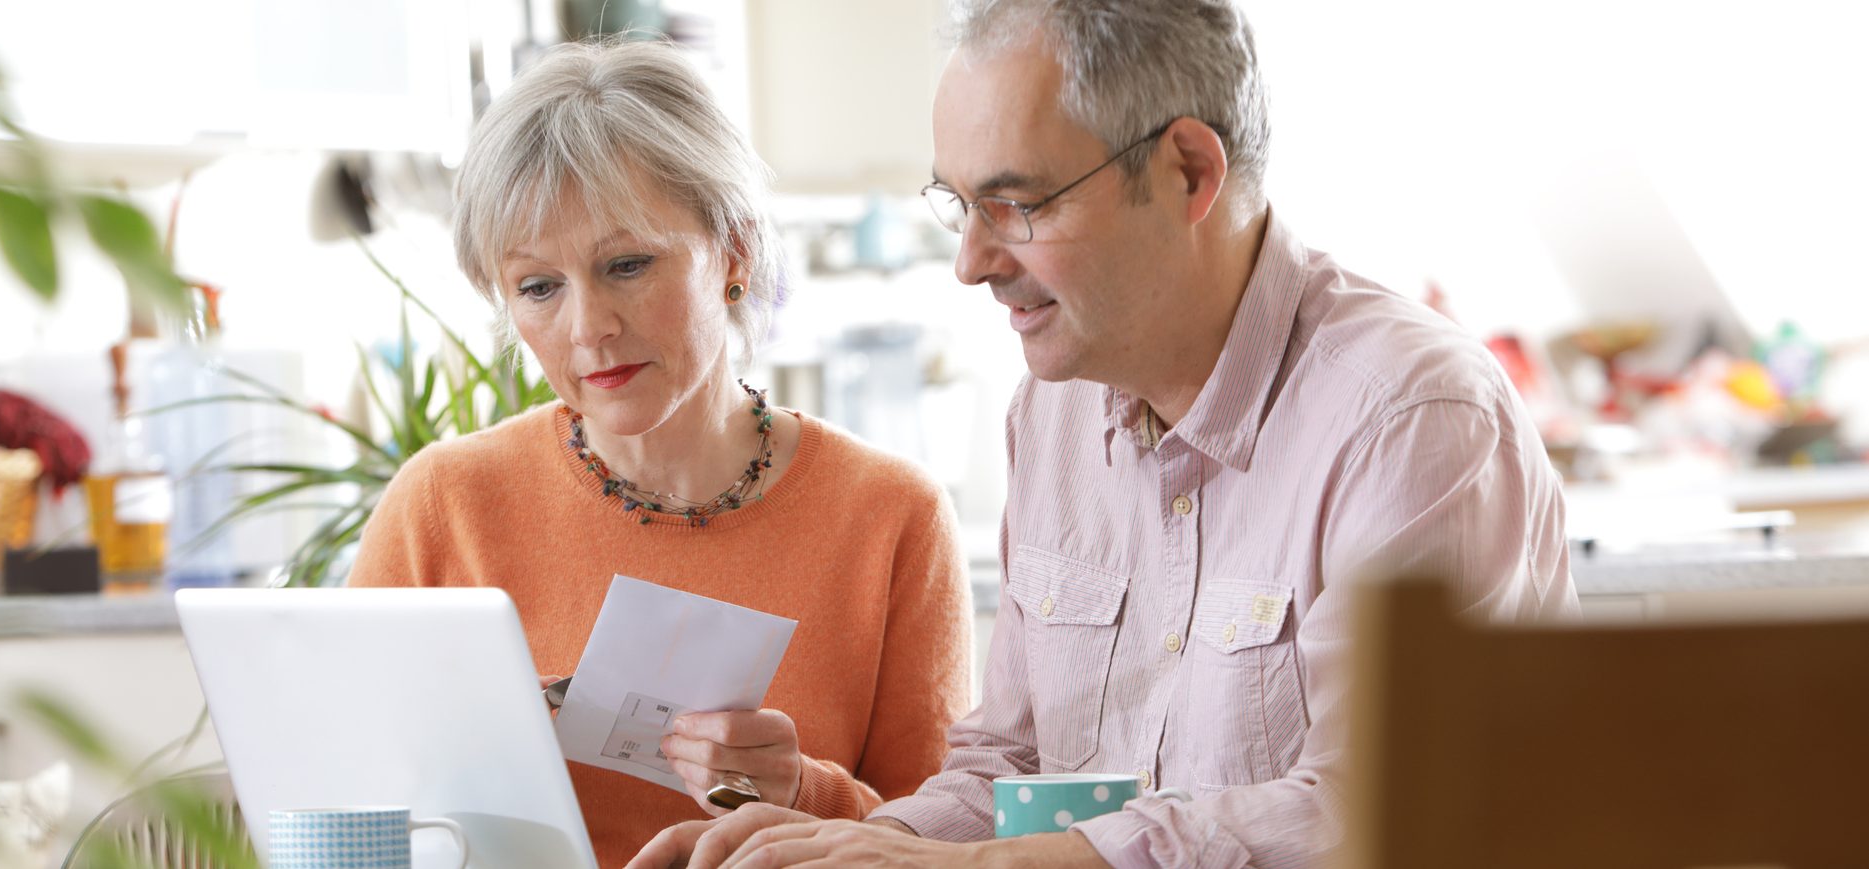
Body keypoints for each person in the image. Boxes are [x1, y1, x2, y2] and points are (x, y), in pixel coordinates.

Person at [631, 0, 1580, 866]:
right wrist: (853, 850)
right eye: (960, 205)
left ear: (1187, 171)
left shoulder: (1410, 420)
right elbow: (1009, 765)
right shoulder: (1052, 411)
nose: (971, 261)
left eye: (1019, 203)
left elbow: (1382, 812)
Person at [346, 40, 973, 868]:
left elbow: (940, 843)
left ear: (736, 254)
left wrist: (800, 794)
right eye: (538, 287)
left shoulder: (890, 516)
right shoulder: (444, 503)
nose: (587, 326)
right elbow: (343, 810)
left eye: (627, 264)